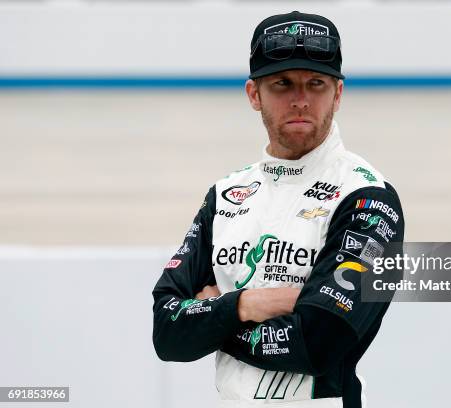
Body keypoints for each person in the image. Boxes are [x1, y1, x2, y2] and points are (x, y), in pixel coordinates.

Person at [152, 11, 404, 408]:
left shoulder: (368, 196)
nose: (300, 99)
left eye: (316, 84)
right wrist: (248, 305)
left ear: (338, 94)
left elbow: (320, 341)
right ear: (254, 94)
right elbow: (166, 332)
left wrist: (216, 316)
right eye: (282, 83)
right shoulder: (225, 194)